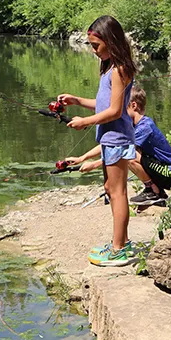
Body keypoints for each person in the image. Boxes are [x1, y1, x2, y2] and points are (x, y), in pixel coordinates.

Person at [58, 15, 138, 267]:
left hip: (117, 137)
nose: (93, 51)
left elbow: (115, 112)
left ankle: (119, 250)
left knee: (117, 192)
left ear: (111, 41)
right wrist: (77, 101)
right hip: (109, 137)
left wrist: (86, 121)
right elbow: (105, 104)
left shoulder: (120, 69)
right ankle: (121, 242)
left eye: (96, 46)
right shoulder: (110, 67)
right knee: (110, 190)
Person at [63, 84, 171, 207]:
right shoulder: (133, 127)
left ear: (134, 105)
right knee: (125, 151)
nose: (120, 112)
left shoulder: (145, 126)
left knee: (129, 154)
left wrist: (95, 164)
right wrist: (81, 158)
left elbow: (122, 151)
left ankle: (153, 191)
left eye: (123, 107)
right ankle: (155, 190)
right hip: (160, 169)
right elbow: (110, 145)